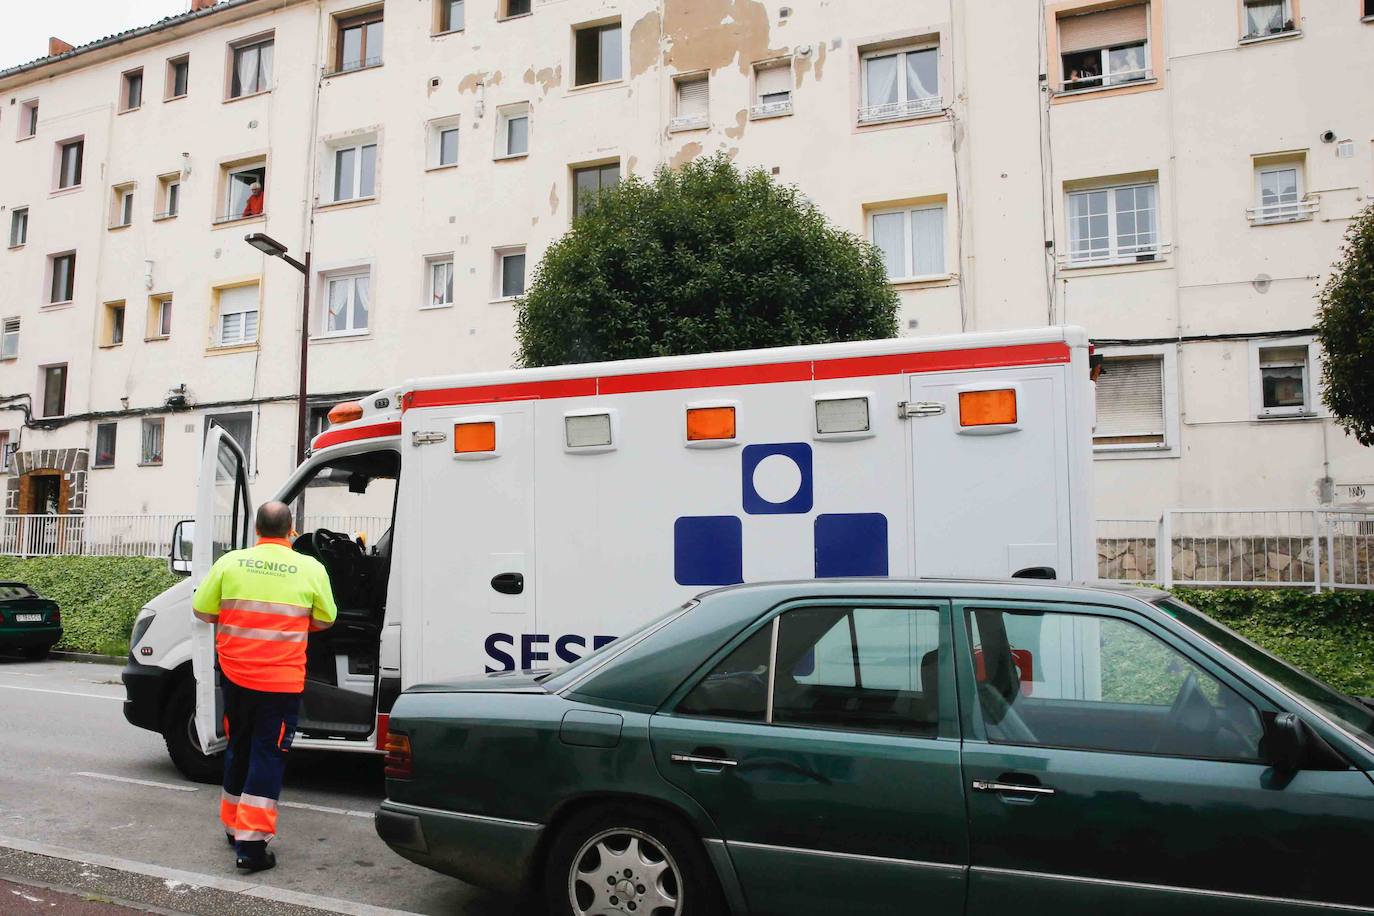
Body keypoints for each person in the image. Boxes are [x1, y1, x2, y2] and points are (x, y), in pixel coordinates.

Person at [192, 501, 336, 872]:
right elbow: (326, 619)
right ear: (291, 530)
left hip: (236, 679)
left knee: (239, 748)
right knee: (267, 756)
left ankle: (233, 827)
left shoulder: (230, 563)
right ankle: (252, 847)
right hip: (281, 684)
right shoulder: (311, 568)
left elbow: (202, 611)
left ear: (256, 529)